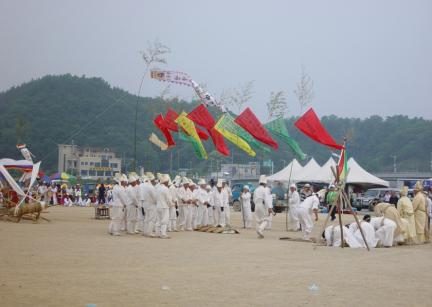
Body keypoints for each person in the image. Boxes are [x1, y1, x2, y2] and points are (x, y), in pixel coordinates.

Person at [155, 174, 172, 239]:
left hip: (158, 206)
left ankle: (157, 233)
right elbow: (168, 199)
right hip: (164, 206)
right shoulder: (165, 189)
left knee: (158, 220)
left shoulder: (157, 188)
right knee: (164, 220)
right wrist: (171, 204)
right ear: (166, 182)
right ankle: (163, 234)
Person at [142, 173, 158, 237]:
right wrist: (157, 202)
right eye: (154, 180)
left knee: (146, 218)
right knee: (151, 219)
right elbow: (154, 197)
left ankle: (145, 231)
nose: (155, 181)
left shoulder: (146, 186)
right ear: (152, 180)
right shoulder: (151, 187)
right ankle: (149, 232)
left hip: (146, 204)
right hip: (151, 204)